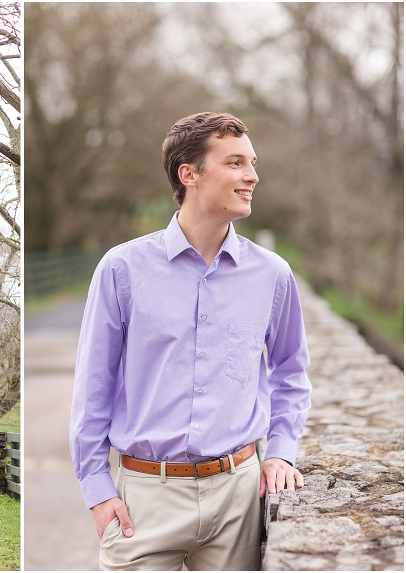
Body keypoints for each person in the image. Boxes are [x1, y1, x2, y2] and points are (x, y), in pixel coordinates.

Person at [69, 112, 312, 570]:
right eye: (236, 163)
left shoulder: (272, 275)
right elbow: (92, 389)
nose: (252, 176)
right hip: (145, 501)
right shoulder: (122, 270)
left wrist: (280, 451)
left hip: (238, 498)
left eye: (252, 163)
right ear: (190, 174)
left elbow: (291, 371)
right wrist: (98, 490)